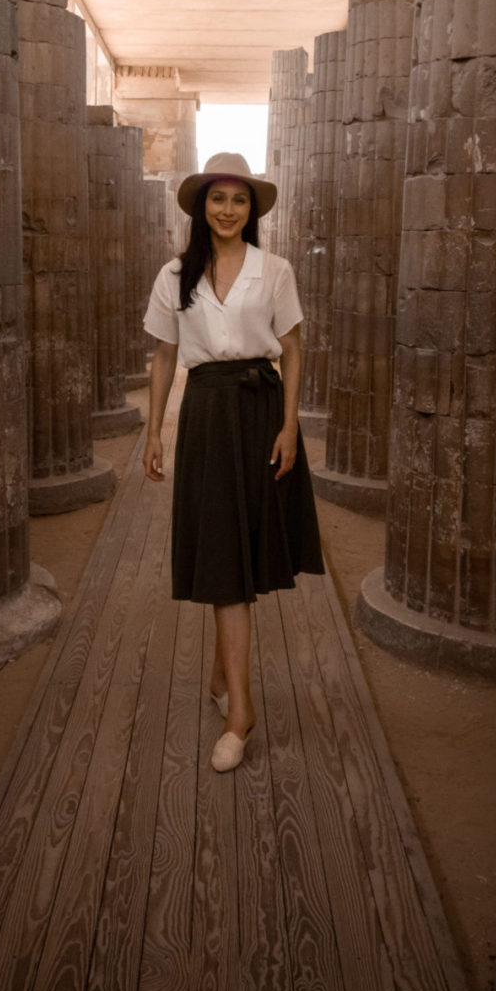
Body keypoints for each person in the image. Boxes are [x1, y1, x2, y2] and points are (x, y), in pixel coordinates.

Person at [142, 152, 324, 773]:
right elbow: (165, 357)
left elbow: (293, 349)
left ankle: (226, 680)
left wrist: (290, 427)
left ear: (252, 210)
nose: (227, 210)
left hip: (260, 412)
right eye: (217, 199)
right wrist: (153, 433)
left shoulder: (274, 270)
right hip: (207, 415)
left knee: (243, 545)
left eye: (238, 200)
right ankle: (240, 711)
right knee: (223, 551)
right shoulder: (174, 276)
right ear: (201, 208)